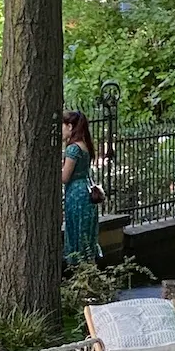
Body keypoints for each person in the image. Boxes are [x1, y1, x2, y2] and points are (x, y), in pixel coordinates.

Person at [61, 109, 99, 262]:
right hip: (86, 191)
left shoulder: (73, 148)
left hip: (76, 195)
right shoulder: (85, 145)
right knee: (85, 233)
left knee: (75, 231)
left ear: (70, 126)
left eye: (62, 126)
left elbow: (65, 177)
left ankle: (77, 264)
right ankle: (87, 265)